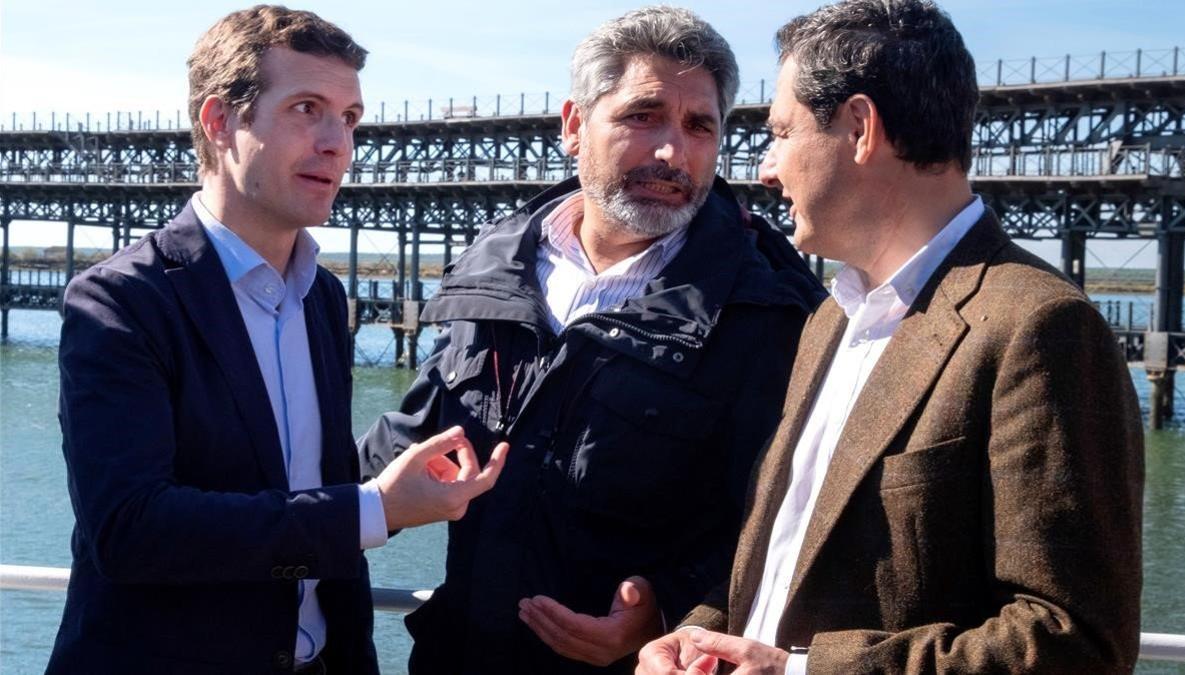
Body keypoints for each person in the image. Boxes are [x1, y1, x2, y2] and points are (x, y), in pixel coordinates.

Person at [636, 1, 1145, 673]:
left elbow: (1075, 641)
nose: (765, 168)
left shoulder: (1040, 326)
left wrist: (798, 670)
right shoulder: (829, 320)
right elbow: (786, 554)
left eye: (781, 132)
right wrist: (696, 635)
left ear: (859, 127)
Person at [357, 6, 826, 673]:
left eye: (700, 126)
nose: (673, 152)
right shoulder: (497, 271)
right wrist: (295, 515)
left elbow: (795, 524)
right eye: (644, 116)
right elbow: (417, 438)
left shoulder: (771, 312)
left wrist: (668, 611)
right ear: (574, 126)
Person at [48, 6, 506, 673]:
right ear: (219, 120)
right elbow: (131, 528)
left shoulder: (323, 296)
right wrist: (373, 507)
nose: (338, 143)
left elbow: (306, 481)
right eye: (306, 108)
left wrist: (398, 488)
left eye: (349, 118)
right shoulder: (120, 301)